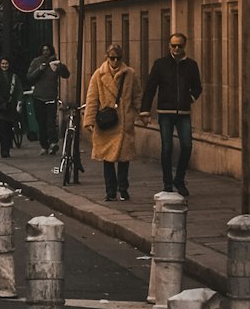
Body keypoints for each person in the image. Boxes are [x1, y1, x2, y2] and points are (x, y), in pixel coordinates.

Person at [140, 32, 202, 197]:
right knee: (166, 147)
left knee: (187, 145)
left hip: (183, 112)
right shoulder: (160, 64)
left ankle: (179, 179)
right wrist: (145, 110)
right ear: (169, 46)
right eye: (173, 45)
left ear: (184, 46)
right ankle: (167, 183)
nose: (176, 48)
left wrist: (190, 98)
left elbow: (198, 87)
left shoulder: (191, 65)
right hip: (165, 112)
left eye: (179, 46)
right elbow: (150, 88)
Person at [82, 43, 142, 201]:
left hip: (123, 121)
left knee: (124, 158)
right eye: (112, 58)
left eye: (118, 58)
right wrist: (89, 120)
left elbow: (137, 95)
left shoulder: (130, 74)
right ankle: (110, 190)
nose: (115, 61)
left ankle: (123, 188)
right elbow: (92, 98)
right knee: (107, 159)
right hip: (106, 122)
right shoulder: (98, 75)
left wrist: (142, 113)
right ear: (107, 57)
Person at [26, 44, 70, 155]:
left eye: (48, 50)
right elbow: (30, 77)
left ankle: (53, 142)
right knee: (41, 122)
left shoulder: (54, 62)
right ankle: (44, 145)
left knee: (50, 121)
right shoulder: (36, 62)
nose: (46, 52)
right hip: (39, 97)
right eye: (44, 50)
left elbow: (66, 74)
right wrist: (40, 69)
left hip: (51, 96)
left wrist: (60, 66)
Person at [0, 57, 23, 158]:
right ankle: (4, 150)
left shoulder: (14, 77)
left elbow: (19, 90)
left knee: (8, 129)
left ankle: (7, 147)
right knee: (1, 130)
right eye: (2, 64)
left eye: (6, 63)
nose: (4, 66)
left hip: (10, 107)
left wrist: (19, 102)